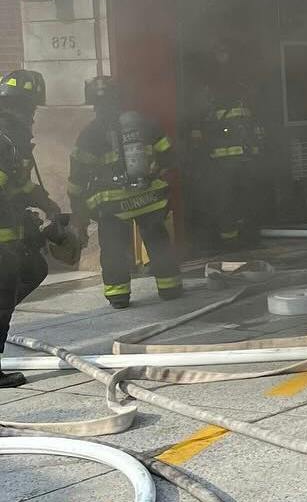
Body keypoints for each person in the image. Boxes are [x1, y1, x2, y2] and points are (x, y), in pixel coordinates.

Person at [69, 76, 181, 308]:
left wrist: (77, 206)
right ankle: (170, 288)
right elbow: (169, 155)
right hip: (148, 198)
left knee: (114, 251)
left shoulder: (90, 133)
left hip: (113, 204)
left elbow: (78, 175)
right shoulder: (144, 123)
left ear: (93, 103)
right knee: (158, 243)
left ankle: (118, 296)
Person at [0, 71, 66, 387]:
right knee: (3, 296)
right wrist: (25, 220)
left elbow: (18, 183)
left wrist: (47, 205)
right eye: (33, 109)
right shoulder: (9, 132)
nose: (34, 116)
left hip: (9, 231)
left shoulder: (8, 131)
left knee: (32, 269)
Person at [188, 42, 263, 248]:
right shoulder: (212, 93)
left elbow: (254, 122)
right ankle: (235, 241)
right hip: (229, 160)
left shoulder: (240, 90)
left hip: (237, 159)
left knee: (237, 201)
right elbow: (198, 129)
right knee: (231, 201)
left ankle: (240, 239)